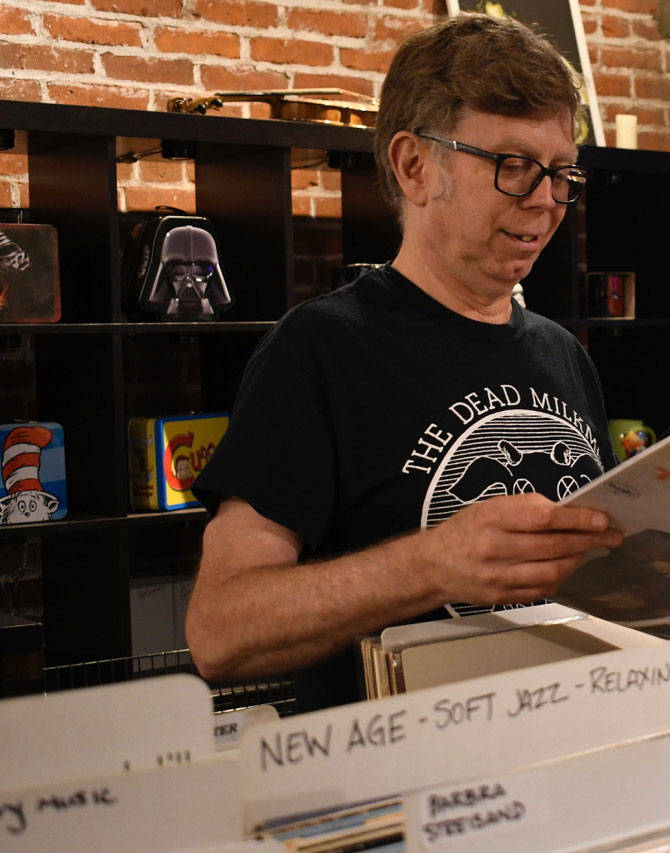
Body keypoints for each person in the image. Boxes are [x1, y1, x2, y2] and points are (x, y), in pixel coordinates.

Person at [185, 15, 623, 711]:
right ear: (415, 166)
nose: (545, 200)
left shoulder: (562, 353)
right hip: (403, 795)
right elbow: (220, 628)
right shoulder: (320, 348)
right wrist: (431, 564)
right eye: (513, 166)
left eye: (561, 173)